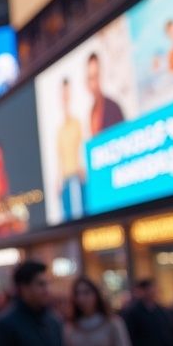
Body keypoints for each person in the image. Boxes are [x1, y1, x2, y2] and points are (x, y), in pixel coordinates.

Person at [55, 77, 86, 220]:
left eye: (67, 94)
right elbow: (59, 157)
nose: (65, 98)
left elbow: (82, 148)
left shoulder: (77, 123)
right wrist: (58, 180)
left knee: (81, 215)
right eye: (63, 95)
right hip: (65, 181)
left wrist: (82, 169)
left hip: (77, 178)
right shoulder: (60, 130)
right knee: (67, 219)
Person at [86, 52, 125, 136]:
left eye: (96, 76)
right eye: (91, 78)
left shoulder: (114, 109)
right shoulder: (90, 114)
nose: (94, 84)